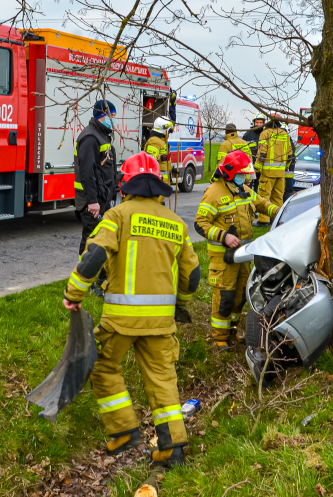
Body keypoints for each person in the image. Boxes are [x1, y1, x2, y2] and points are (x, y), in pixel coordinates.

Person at [63, 152, 201, 467]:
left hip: (121, 321)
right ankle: (172, 448)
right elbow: (192, 276)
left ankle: (124, 430)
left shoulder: (118, 216)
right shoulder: (175, 223)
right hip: (162, 324)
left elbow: (95, 255)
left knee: (103, 367)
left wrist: (75, 294)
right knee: (163, 380)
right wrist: (180, 304)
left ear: (124, 185)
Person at [195, 150, 279, 348]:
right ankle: (220, 338)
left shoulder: (243, 190)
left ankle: (231, 331)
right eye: (243, 174)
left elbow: (263, 204)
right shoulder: (214, 193)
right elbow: (200, 223)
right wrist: (224, 236)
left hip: (243, 256)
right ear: (231, 174)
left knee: (241, 295)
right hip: (223, 258)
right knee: (226, 297)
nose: (247, 178)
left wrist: (283, 211)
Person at [74, 99, 118, 259]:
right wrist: (92, 201)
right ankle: (85, 276)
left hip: (101, 198)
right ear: (102, 115)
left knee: (99, 238)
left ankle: (98, 275)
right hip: (90, 201)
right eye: (111, 115)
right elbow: (87, 172)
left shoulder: (101, 135)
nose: (113, 119)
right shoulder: (90, 137)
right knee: (90, 239)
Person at [254, 119, 293, 226]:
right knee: (278, 197)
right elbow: (290, 154)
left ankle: (263, 220)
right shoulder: (285, 134)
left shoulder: (265, 133)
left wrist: (257, 168)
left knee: (264, 196)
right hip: (280, 173)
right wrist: (286, 167)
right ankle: (277, 220)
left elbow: (262, 152)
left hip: (268, 173)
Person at [145, 116, 174, 184]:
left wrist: (172, 169)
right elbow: (150, 158)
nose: (169, 131)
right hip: (157, 180)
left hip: (164, 182)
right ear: (163, 129)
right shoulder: (154, 140)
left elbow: (165, 162)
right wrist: (161, 157)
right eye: (168, 129)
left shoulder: (162, 141)